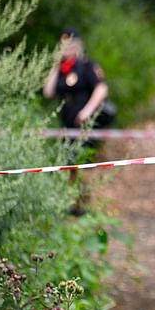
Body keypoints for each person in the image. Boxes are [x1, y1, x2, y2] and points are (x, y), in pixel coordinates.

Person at [43, 26, 111, 214]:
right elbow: (48, 92)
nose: (66, 48)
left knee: (84, 162)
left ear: (78, 46)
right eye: (63, 45)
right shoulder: (62, 69)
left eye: (70, 45)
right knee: (70, 163)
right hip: (67, 123)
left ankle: (85, 203)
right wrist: (55, 65)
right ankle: (74, 204)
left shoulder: (87, 66)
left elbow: (101, 88)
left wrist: (87, 111)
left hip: (83, 124)